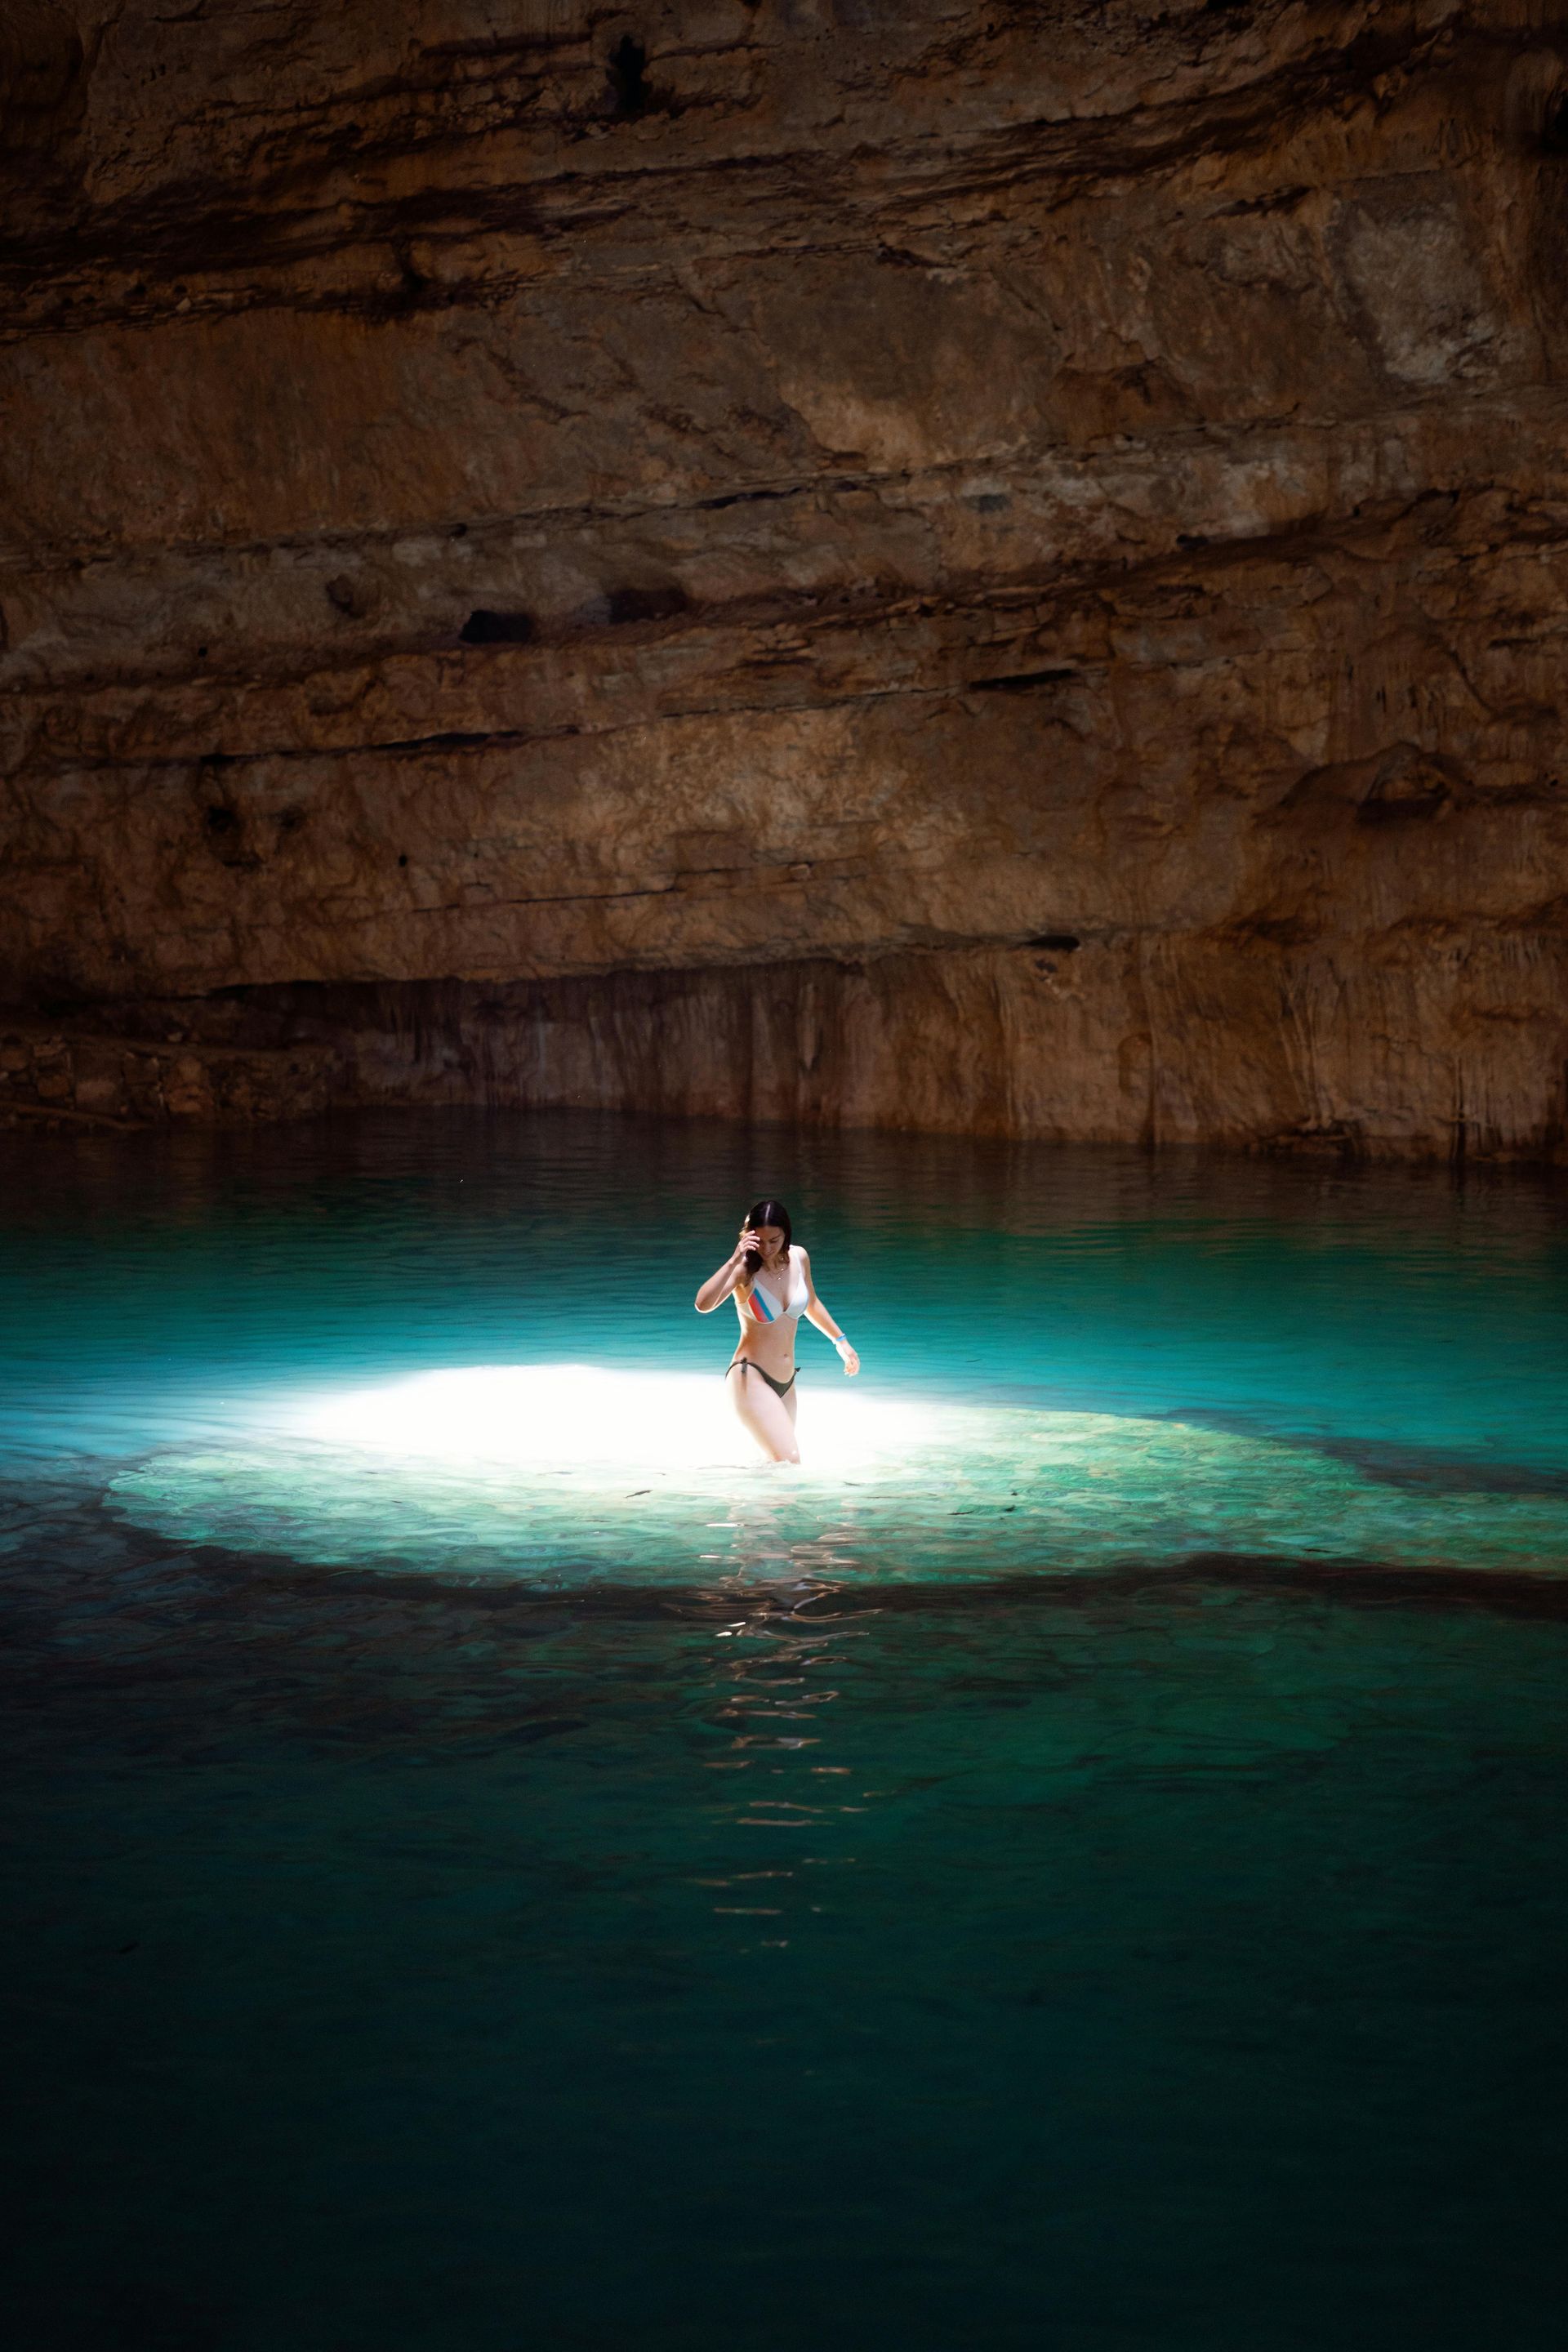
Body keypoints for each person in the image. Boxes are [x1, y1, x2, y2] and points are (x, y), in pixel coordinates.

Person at [693, 1197, 859, 1463]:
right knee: (790, 1460)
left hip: (786, 1382)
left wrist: (841, 1342)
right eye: (761, 1241)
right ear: (749, 1237)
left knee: (772, 1468)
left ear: (786, 1235)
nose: (768, 1248)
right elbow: (703, 1304)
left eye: (775, 1240)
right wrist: (734, 1259)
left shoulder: (799, 1257)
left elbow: (812, 1303)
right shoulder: (743, 1272)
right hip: (751, 1377)